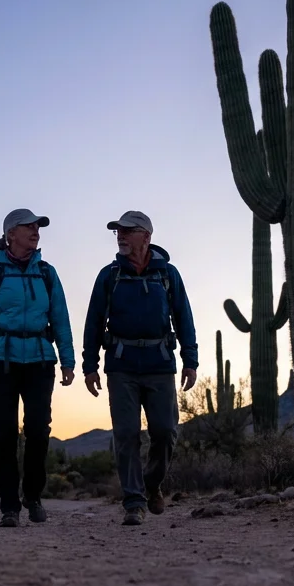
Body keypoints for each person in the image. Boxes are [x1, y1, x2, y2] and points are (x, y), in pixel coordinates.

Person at [81, 210, 198, 526]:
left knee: (165, 430)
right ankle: (133, 502)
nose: (120, 235)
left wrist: (191, 360)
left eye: (128, 231)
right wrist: (89, 365)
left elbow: (183, 317)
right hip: (121, 365)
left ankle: (151, 483)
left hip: (160, 364)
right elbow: (93, 322)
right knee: (126, 433)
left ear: (146, 237)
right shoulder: (109, 275)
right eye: (118, 231)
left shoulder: (167, 275)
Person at [0, 208, 76, 528]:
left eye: (38, 227)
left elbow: (61, 318)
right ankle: (9, 506)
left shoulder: (47, 273)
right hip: (0, 361)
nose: (36, 232)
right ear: (11, 234)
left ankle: (34, 496)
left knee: (38, 430)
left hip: (40, 360)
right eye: (29, 227)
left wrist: (67, 359)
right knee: (4, 435)